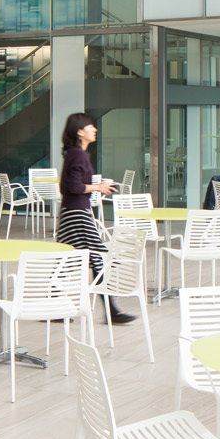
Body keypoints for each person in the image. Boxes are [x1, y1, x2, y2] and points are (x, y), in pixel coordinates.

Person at [57, 112, 134, 324]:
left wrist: (96, 188)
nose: (95, 129)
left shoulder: (76, 153)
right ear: (80, 132)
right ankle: (112, 311)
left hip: (72, 212)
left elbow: (69, 186)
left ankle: (55, 305)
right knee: (97, 257)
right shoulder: (77, 154)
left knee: (68, 261)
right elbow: (70, 187)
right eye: (91, 126)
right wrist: (98, 187)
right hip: (77, 213)